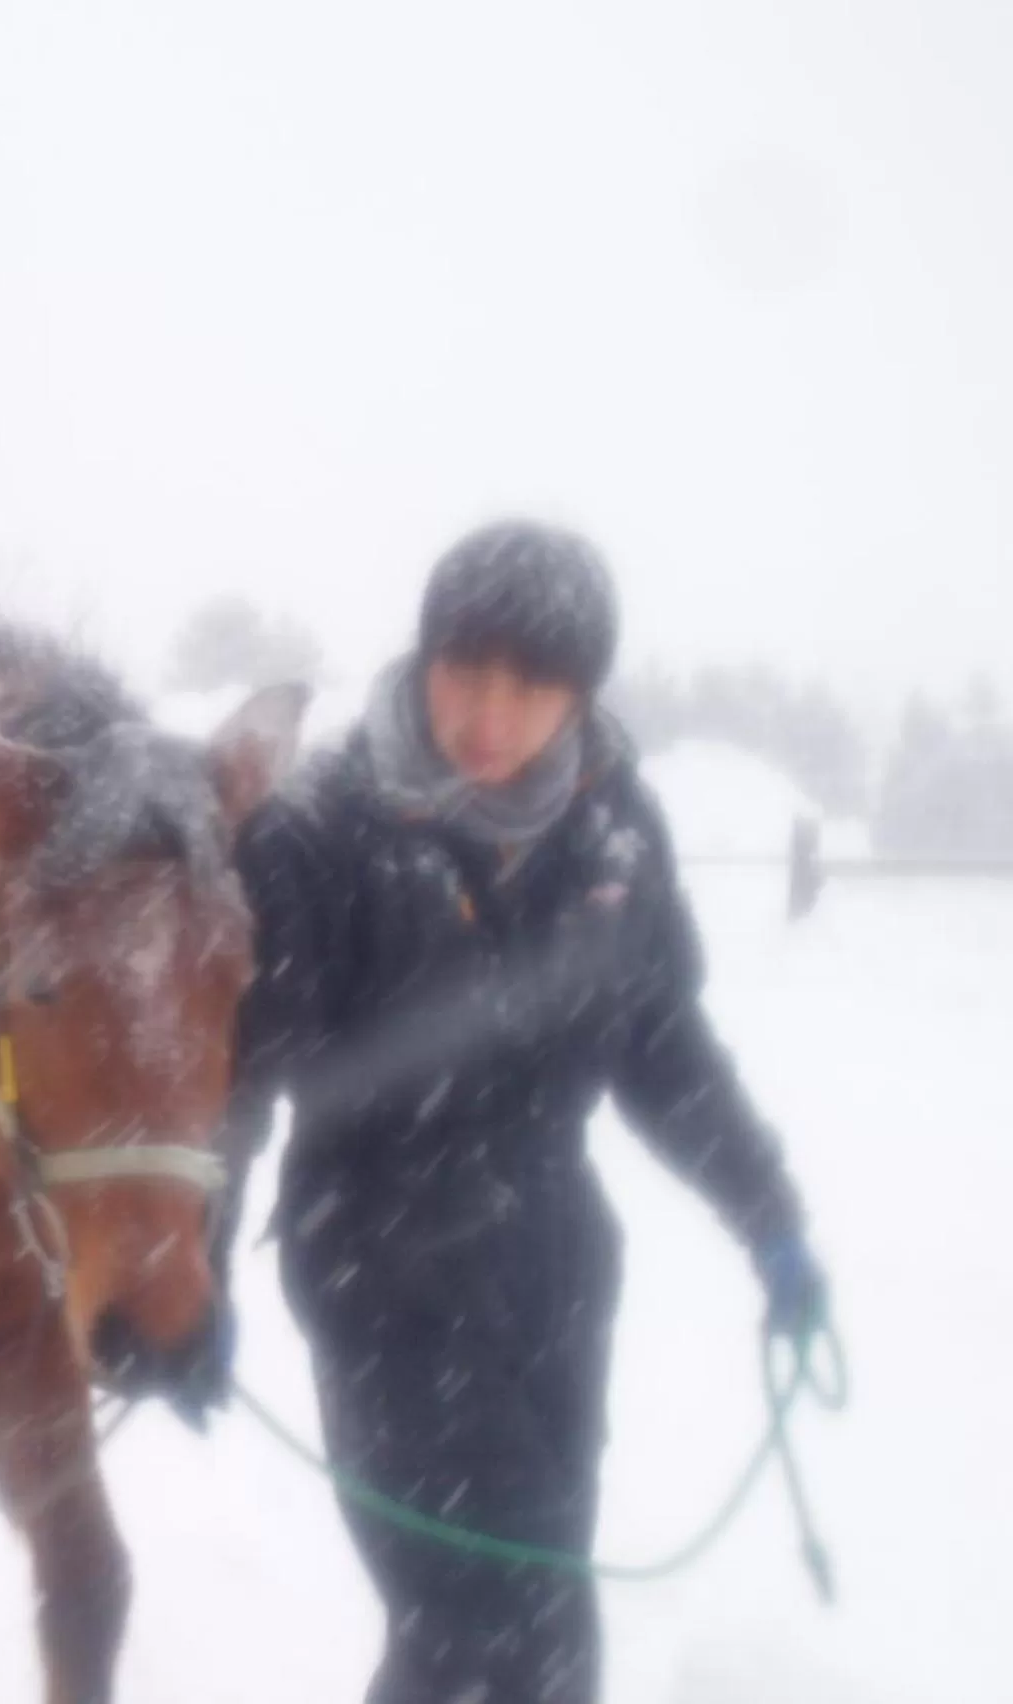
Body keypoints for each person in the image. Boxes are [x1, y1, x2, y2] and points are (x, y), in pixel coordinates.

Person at [225, 520, 831, 1703]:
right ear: (424, 655)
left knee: (492, 1616)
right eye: (466, 668)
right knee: (511, 1639)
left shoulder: (612, 830)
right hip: (377, 1267)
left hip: (551, 1269)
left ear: (580, 695)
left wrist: (768, 1219)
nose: (488, 713)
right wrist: (180, 1259)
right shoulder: (320, 831)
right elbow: (238, 1075)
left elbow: (662, 1046)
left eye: (531, 683)